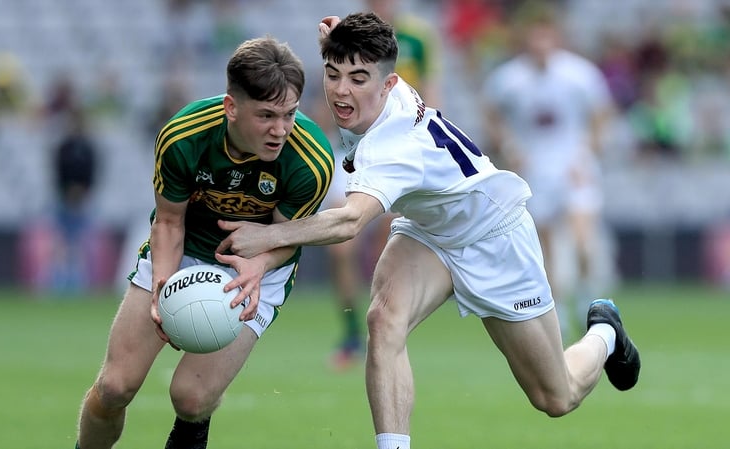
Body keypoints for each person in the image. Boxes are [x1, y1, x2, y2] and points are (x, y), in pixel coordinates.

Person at [217, 13, 640, 449]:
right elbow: (357, 61)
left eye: (358, 79)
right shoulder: (385, 88)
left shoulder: (393, 147)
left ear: (387, 84)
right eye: (333, 74)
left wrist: (265, 236)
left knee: (556, 396)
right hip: (431, 231)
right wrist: (337, 40)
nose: (341, 91)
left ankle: (604, 332)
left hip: (495, 237)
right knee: (384, 320)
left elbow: (348, 221)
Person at [74, 36, 334, 449]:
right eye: (266, 115)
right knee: (114, 387)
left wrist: (258, 266)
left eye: (289, 114)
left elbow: (287, 236)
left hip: (257, 265)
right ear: (231, 107)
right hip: (182, 248)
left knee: (192, 398)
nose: (280, 130)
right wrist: (162, 284)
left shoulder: (311, 159)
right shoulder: (184, 137)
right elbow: (169, 221)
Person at [480, 2, 616, 341]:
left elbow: (601, 115)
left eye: (546, 38)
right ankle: (556, 312)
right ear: (526, 40)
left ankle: (588, 303)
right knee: (544, 250)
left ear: (555, 38)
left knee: (584, 242)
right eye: (534, 38)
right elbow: (491, 115)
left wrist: (587, 153)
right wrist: (510, 148)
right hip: (535, 173)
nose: (540, 45)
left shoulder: (579, 74)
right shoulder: (509, 78)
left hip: (573, 168)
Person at [323, 0, 444, 370]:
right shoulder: (350, 37)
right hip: (353, 152)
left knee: (386, 245)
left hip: (397, 155)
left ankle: (387, 332)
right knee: (340, 247)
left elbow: (431, 93)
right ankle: (350, 333)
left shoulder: (417, 37)